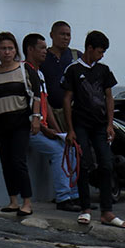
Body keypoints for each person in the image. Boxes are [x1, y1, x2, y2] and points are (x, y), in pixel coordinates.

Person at [63, 31, 125, 228]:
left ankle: (107, 211)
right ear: (89, 48)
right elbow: (67, 99)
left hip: (100, 125)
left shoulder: (104, 70)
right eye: (100, 51)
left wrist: (110, 123)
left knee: (106, 164)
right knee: (83, 164)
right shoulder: (73, 70)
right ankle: (85, 209)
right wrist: (70, 129)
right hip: (80, 124)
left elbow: (109, 97)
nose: (101, 55)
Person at [0, 32, 41, 216]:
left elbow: (37, 96)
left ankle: (27, 202)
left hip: (20, 124)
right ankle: (13, 201)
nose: (7, 52)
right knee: (6, 163)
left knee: (18, 161)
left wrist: (36, 119)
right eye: (3, 48)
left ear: (16, 50)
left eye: (10, 48)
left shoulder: (24, 70)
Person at [23, 32, 80, 212]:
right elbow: (28, 105)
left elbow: (45, 103)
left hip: (44, 127)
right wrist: (44, 129)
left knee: (70, 147)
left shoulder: (39, 73)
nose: (45, 52)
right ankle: (63, 198)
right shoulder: (24, 71)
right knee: (59, 151)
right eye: (41, 48)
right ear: (30, 50)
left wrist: (57, 130)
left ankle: (74, 195)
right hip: (30, 128)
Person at [40, 21, 82, 131]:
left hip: (74, 114)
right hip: (50, 114)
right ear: (51, 35)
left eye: (68, 35)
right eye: (62, 34)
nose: (65, 38)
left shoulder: (76, 57)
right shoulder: (43, 58)